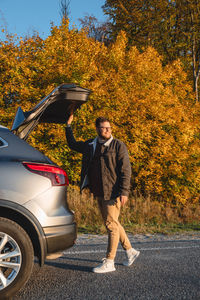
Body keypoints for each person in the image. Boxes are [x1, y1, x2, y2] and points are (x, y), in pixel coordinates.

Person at [66, 115, 140, 273]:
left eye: (109, 128)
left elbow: (126, 170)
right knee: (113, 222)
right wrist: (68, 126)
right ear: (97, 129)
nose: (107, 130)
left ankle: (110, 261)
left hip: (113, 192)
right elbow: (72, 145)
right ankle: (130, 251)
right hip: (98, 191)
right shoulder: (91, 144)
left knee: (111, 225)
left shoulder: (118, 145)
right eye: (104, 128)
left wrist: (124, 192)